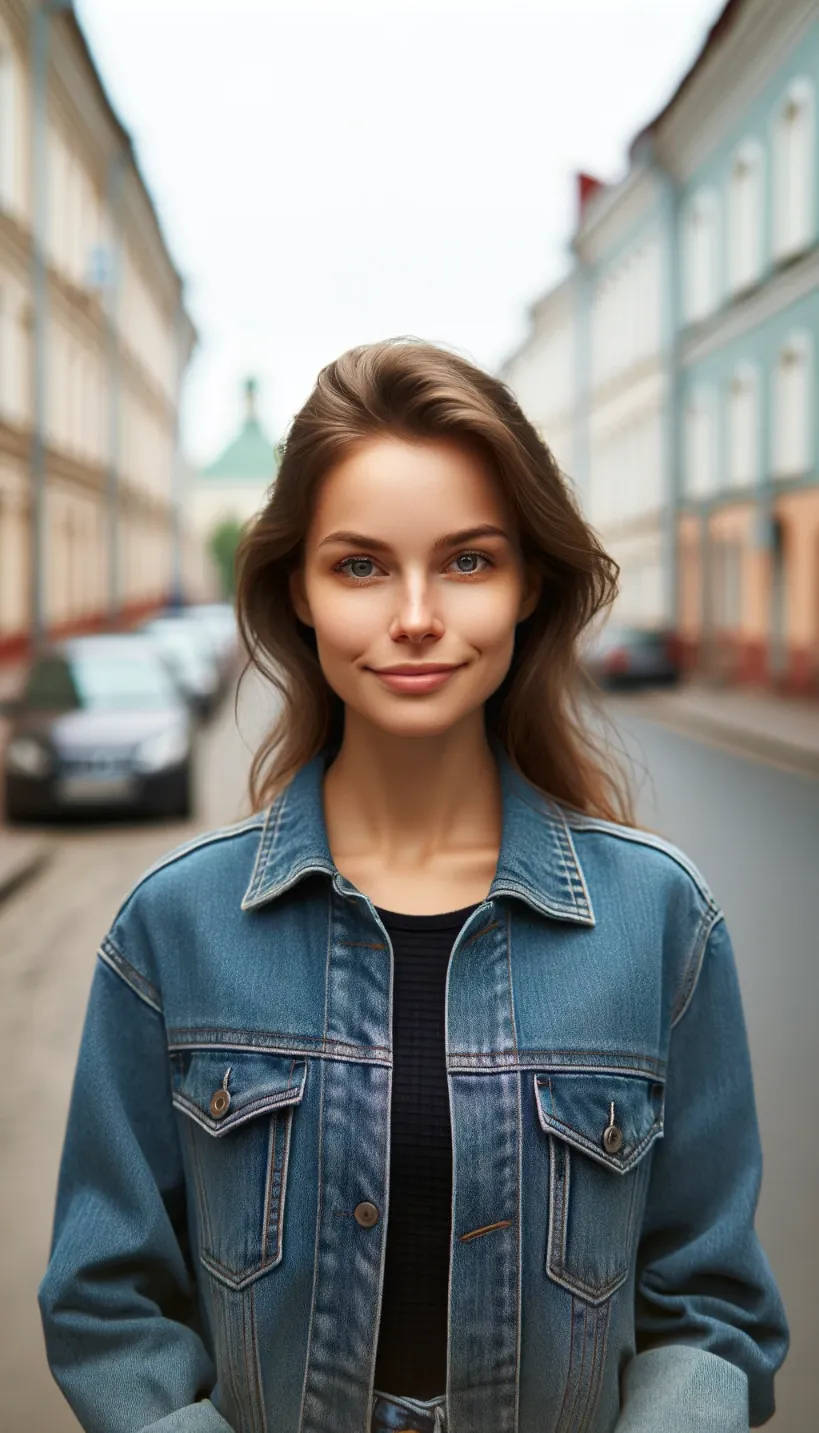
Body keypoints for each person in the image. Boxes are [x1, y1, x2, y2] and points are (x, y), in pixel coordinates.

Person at [39, 339, 788, 1433]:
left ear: (531, 581)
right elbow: (107, 1306)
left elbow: (711, 1310)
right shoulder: (175, 927)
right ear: (296, 588)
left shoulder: (661, 921)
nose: (418, 614)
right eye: (361, 565)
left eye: (469, 560)